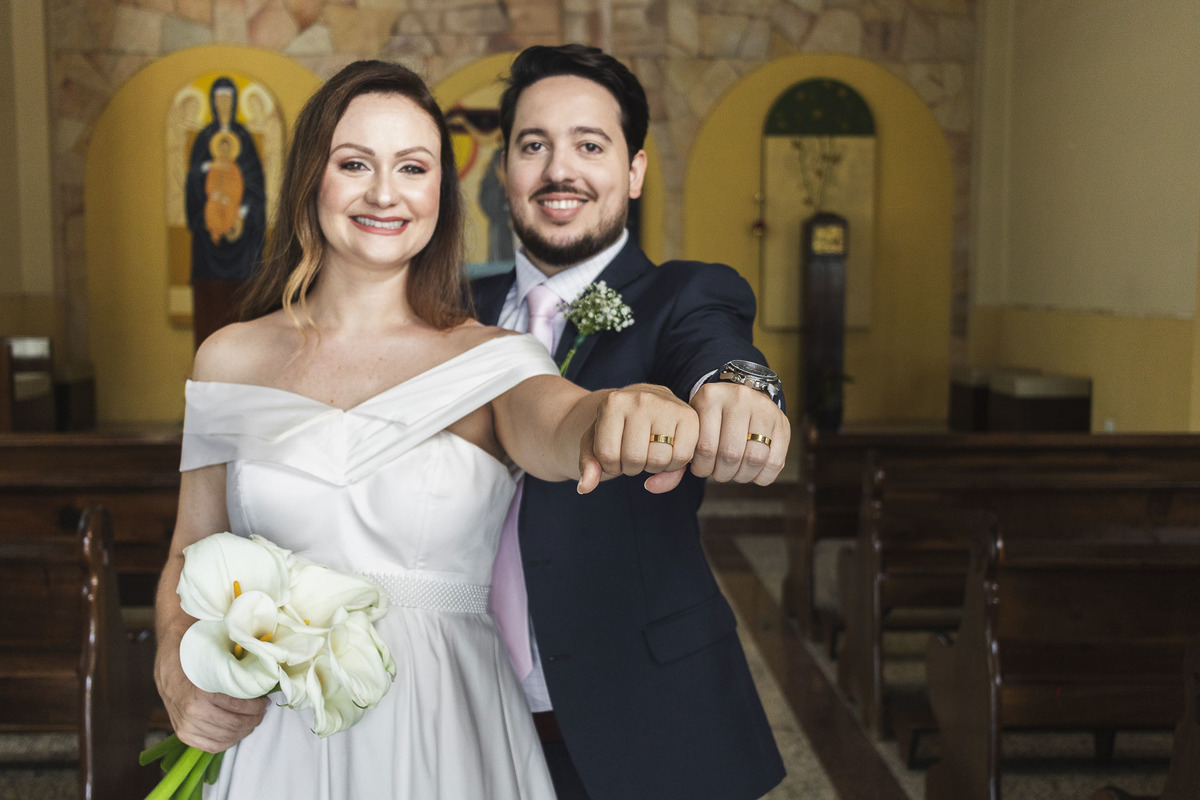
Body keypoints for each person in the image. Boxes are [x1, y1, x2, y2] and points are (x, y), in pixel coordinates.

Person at [154, 59, 702, 799]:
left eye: (412, 167)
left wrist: (616, 413)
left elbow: (563, 421)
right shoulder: (230, 357)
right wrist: (174, 662)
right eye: (354, 163)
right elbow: (190, 548)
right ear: (311, 178)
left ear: (441, 192)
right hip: (278, 734)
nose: (385, 193)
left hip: (445, 723)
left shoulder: (493, 359)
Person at [471, 43, 790, 800]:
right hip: (463, 711)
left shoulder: (685, 295)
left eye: (590, 145)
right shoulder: (449, 314)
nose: (559, 170)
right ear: (505, 169)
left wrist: (741, 391)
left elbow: (720, 353)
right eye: (533, 145)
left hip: (646, 713)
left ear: (635, 170)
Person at [186, 77, 267, 349]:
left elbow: (255, 186)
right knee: (211, 314)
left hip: (242, 247)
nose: (223, 105)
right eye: (219, 99)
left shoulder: (244, 139)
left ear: (234, 103)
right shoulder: (204, 140)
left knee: (244, 313)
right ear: (212, 102)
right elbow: (193, 186)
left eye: (228, 100)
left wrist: (241, 217)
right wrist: (207, 174)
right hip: (209, 244)